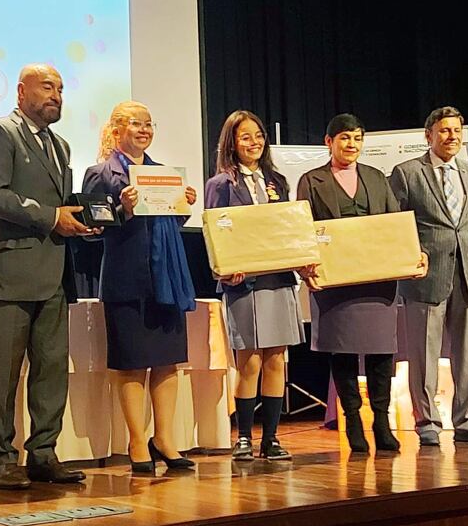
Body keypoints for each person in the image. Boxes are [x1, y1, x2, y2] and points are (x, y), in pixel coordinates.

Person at [0, 63, 97, 489]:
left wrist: (97, 216)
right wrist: (50, 218)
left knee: (51, 370)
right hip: (7, 272)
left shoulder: (60, 146)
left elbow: (63, 205)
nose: (56, 94)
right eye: (47, 86)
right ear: (21, 91)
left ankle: (43, 454)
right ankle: (2, 459)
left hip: (55, 273)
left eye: (60, 88)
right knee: (2, 375)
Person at [297, 113, 426, 453]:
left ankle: (381, 423)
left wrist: (415, 254)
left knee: (382, 351)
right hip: (337, 281)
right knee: (341, 351)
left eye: (357, 138)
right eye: (344, 138)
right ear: (329, 142)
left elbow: (394, 224)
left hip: (377, 279)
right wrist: (305, 268)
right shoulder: (311, 180)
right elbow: (301, 229)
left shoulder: (376, 177)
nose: (351, 145)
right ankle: (352, 420)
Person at [82, 101, 198, 472]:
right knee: (132, 364)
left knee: (166, 362)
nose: (145, 130)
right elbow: (91, 227)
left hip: (167, 278)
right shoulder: (101, 174)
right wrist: (124, 210)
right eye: (136, 124)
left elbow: (171, 223)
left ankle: (164, 438)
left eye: (149, 124)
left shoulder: (162, 174)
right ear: (116, 131)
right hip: (127, 278)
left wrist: (184, 206)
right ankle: (136, 441)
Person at [390, 106, 468, 446]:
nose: (452, 137)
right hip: (425, 277)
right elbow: (397, 224)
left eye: (457, 131)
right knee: (424, 354)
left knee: (467, 354)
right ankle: (427, 423)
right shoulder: (407, 173)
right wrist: (410, 256)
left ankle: (466, 421)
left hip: (466, 273)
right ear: (429, 135)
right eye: (445, 131)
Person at [204, 110, 307, 461]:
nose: (254, 143)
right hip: (243, 285)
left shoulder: (277, 180)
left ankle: (272, 438)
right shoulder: (220, 184)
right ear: (232, 142)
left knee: (276, 360)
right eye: (246, 137)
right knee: (249, 363)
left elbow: (287, 229)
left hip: (278, 280)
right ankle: (245, 436)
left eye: (259, 136)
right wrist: (224, 270)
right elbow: (215, 233)